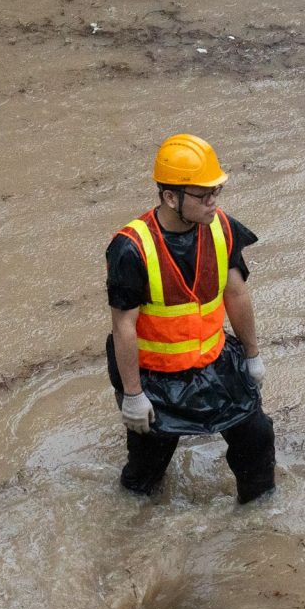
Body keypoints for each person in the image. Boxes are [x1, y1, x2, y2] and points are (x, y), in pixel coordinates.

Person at [105, 133, 276, 503]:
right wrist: (133, 395)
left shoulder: (223, 228)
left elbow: (236, 293)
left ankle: (259, 522)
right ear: (170, 197)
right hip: (155, 378)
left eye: (216, 191)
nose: (214, 202)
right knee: (145, 473)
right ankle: (130, 527)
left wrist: (252, 354)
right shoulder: (131, 249)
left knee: (257, 437)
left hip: (214, 363)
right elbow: (123, 327)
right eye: (204, 195)